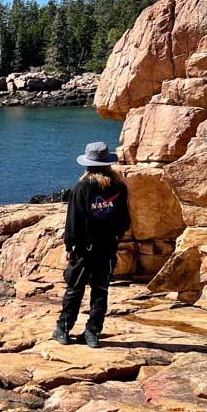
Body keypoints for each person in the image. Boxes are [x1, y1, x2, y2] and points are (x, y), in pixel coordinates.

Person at [52, 142, 131, 347]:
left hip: (85, 249)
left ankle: (63, 330)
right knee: (100, 290)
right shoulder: (119, 187)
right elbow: (124, 220)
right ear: (107, 163)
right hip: (107, 247)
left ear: (88, 164)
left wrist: (70, 246)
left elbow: (74, 220)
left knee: (74, 289)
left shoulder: (82, 187)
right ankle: (92, 334)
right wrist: (115, 236)